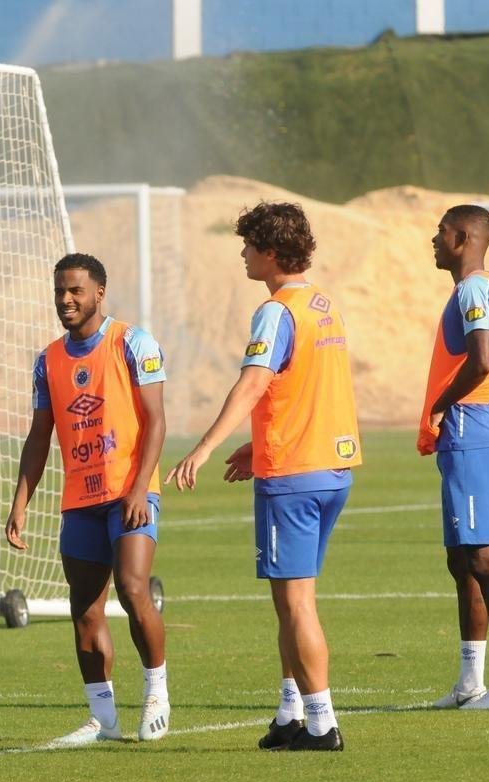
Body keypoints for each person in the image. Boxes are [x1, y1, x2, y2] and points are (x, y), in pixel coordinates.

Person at [166, 201, 360, 752]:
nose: (244, 255)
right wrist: (262, 441)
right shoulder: (324, 304)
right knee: (288, 600)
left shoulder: (276, 312)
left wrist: (204, 448)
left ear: (272, 252)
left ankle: (321, 725)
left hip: (294, 476)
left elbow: (253, 382)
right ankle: (290, 713)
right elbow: (307, 385)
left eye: (249, 246)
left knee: (297, 604)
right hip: (331, 465)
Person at [5, 253, 170, 745]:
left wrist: (139, 488)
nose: (66, 299)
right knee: (85, 609)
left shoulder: (133, 343)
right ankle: (103, 719)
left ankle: (156, 694)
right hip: (80, 499)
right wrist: (20, 502)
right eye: (60, 290)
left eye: (75, 290)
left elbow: (156, 421)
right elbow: (39, 436)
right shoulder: (48, 360)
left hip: (129, 493)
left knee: (133, 588)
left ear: (99, 292)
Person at [419, 204, 489, 711]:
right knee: (462, 559)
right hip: (475, 424)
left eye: (441, 231)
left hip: (470, 425)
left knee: (484, 557)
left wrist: (446, 405)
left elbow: (484, 360)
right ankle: (471, 681)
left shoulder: (472, 290)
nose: (434, 239)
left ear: (462, 237)